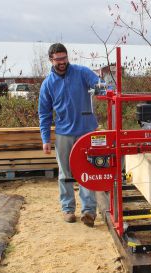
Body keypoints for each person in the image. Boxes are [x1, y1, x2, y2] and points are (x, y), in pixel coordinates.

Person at [38, 43, 103, 227]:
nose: (62, 62)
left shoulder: (82, 73)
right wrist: (45, 139)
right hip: (64, 133)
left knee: (88, 171)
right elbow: (44, 114)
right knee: (65, 173)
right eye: (58, 59)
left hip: (86, 131)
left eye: (64, 58)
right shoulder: (48, 84)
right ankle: (68, 209)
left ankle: (89, 211)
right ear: (51, 60)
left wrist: (102, 87)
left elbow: (98, 84)